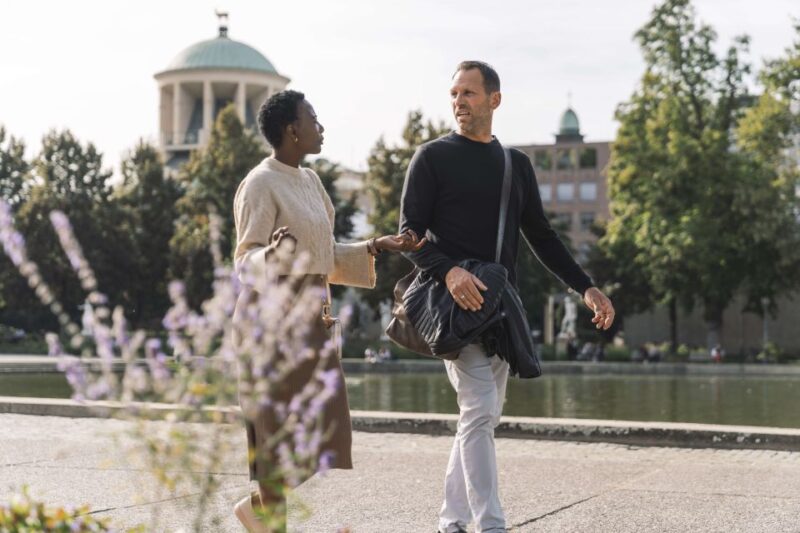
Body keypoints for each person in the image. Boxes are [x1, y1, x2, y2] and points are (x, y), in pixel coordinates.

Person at [399, 61, 615, 533]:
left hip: (499, 309)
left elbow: (541, 235)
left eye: (469, 93)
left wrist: (586, 286)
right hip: (450, 306)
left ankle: (450, 520)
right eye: (454, 93)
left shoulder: (514, 164)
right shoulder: (430, 157)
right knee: (479, 410)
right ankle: (490, 524)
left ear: (494, 100)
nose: (459, 101)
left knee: (480, 415)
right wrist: (450, 270)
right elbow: (409, 236)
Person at [231, 89, 424, 532]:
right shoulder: (259, 183)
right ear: (291, 130)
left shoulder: (312, 181)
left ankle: (257, 510)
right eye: (313, 119)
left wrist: (375, 245)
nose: (321, 127)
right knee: (276, 437)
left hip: (313, 320)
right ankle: (269, 521)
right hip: (272, 324)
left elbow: (322, 253)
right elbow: (245, 260)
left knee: (322, 431)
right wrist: (272, 257)